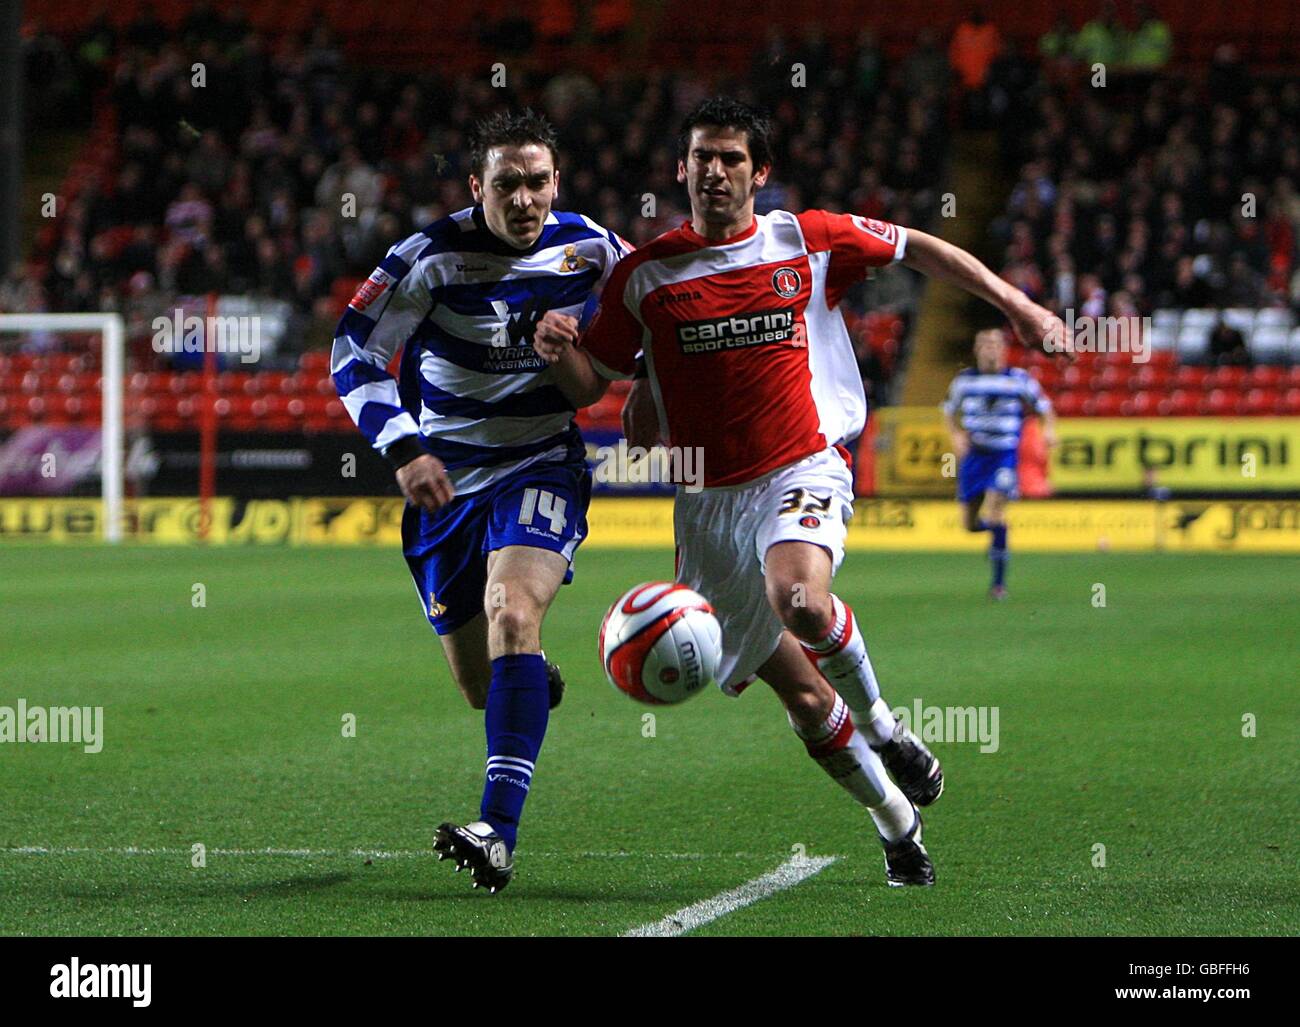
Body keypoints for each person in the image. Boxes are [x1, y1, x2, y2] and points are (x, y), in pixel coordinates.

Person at [533, 97, 1068, 886]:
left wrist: (1019, 306)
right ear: (680, 168)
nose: (714, 171)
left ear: (760, 172)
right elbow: (593, 386)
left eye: (731, 158)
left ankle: (886, 727)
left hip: (801, 464)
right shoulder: (643, 275)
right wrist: (557, 353)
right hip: (709, 507)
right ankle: (895, 819)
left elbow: (918, 247)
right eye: (701, 157)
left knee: (804, 601)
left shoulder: (804, 239)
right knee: (810, 704)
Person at [331, 110, 628, 893]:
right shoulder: (429, 257)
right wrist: (404, 446)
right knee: (477, 686)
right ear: (476, 187)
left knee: (511, 611)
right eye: (506, 184)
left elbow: (647, 322)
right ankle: (527, 679)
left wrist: (602, 358)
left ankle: (496, 830)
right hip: (444, 483)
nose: (524, 199)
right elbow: (352, 349)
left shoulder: (594, 250)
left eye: (537, 182)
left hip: (541, 464)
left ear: (555, 183)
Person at [943, 329, 1056, 599]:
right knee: (970, 525)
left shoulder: (1018, 380)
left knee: (994, 512)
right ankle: (998, 538)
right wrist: (957, 436)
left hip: (1003, 456)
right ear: (976, 350)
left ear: (1004, 350)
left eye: (995, 344)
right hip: (975, 458)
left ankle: (998, 584)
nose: (990, 349)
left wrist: (1049, 429)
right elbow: (947, 412)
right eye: (985, 345)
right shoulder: (964, 382)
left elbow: (1044, 407)